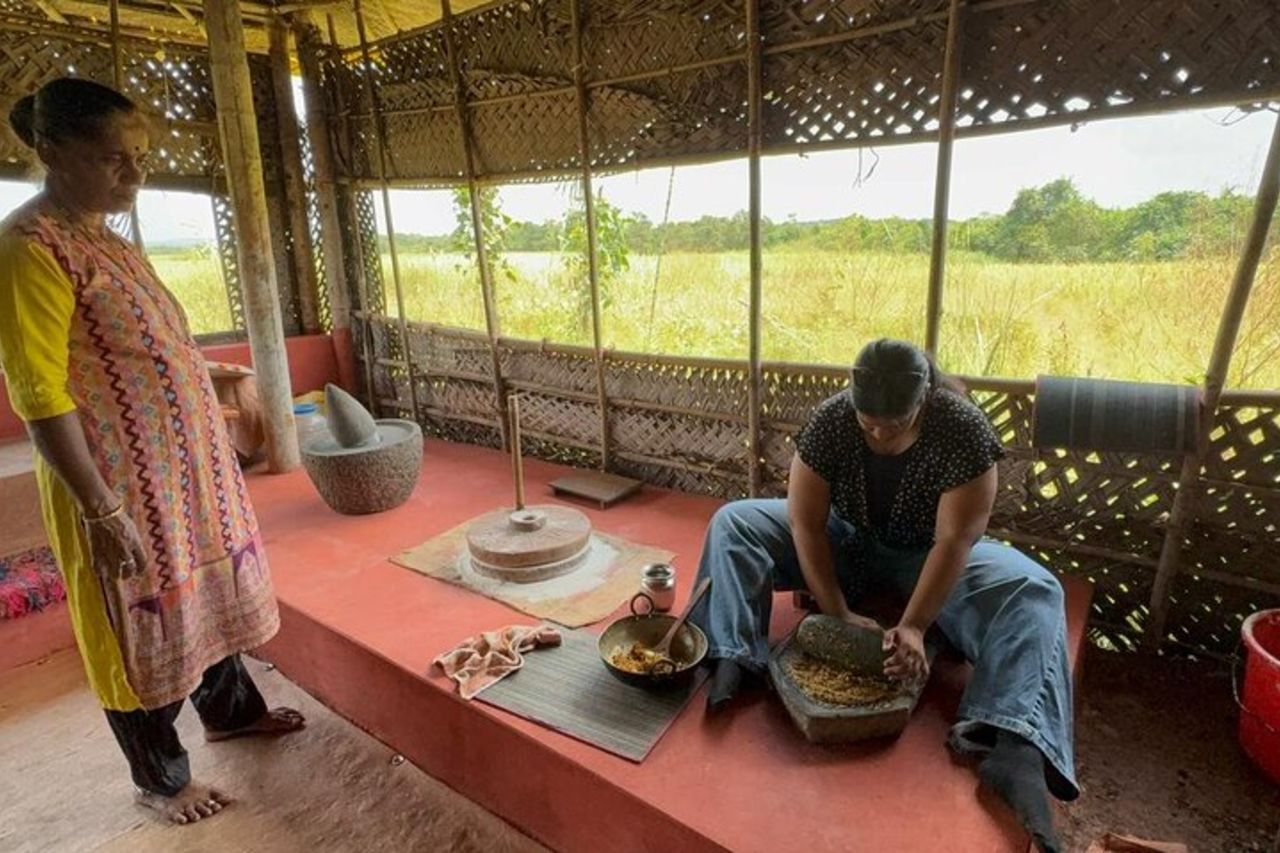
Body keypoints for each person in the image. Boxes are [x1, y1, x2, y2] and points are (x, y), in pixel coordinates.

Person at [0, 78, 304, 825]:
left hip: (182, 471)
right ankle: (161, 778)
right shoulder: (28, 249)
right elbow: (39, 393)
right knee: (136, 622)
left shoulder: (104, 236)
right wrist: (101, 508)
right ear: (50, 152)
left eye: (139, 157)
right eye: (113, 159)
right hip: (117, 484)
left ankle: (231, 712)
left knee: (204, 601)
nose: (134, 176)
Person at [690, 338, 1077, 853]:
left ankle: (1015, 742)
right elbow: (805, 524)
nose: (876, 433)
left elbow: (955, 540)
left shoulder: (962, 431)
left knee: (1033, 589)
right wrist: (837, 611)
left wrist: (915, 625)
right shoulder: (832, 419)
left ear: (924, 401)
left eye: (890, 425)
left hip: (926, 555)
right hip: (844, 539)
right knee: (734, 522)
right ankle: (733, 654)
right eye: (867, 422)